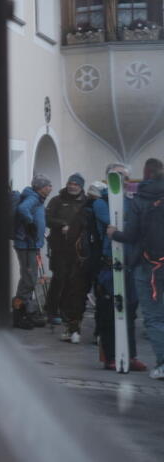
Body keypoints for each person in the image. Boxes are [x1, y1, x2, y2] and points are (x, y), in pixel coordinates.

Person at [108, 158, 164, 380]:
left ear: (146, 173)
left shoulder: (141, 199)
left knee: (154, 317)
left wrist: (114, 233)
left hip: (148, 266)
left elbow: (131, 235)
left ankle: (162, 363)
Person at [90, 169, 145, 371]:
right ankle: (111, 356)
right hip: (109, 264)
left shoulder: (133, 201)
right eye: (118, 174)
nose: (123, 179)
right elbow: (114, 223)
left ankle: (130, 355)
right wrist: (130, 226)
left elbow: (137, 225)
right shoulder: (101, 202)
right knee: (109, 312)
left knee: (129, 312)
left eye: (125, 176)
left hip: (131, 264)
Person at [45, 173, 89, 330]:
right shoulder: (57, 200)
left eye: (76, 184)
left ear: (81, 187)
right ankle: (51, 311)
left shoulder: (85, 202)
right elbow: (47, 219)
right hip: (59, 247)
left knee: (72, 280)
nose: (72, 186)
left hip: (76, 248)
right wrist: (62, 224)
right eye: (70, 183)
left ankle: (65, 311)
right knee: (59, 278)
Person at [12, 174, 52, 329]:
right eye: (48, 185)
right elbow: (22, 209)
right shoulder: (33, 198)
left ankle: (27, 312)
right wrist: (30, 223)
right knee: (29, 279)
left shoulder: (37, 198)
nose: (50, 188)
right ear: (40, 187)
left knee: (29, 278)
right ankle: (18, 314)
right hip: (26, 245)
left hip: (31, 244)